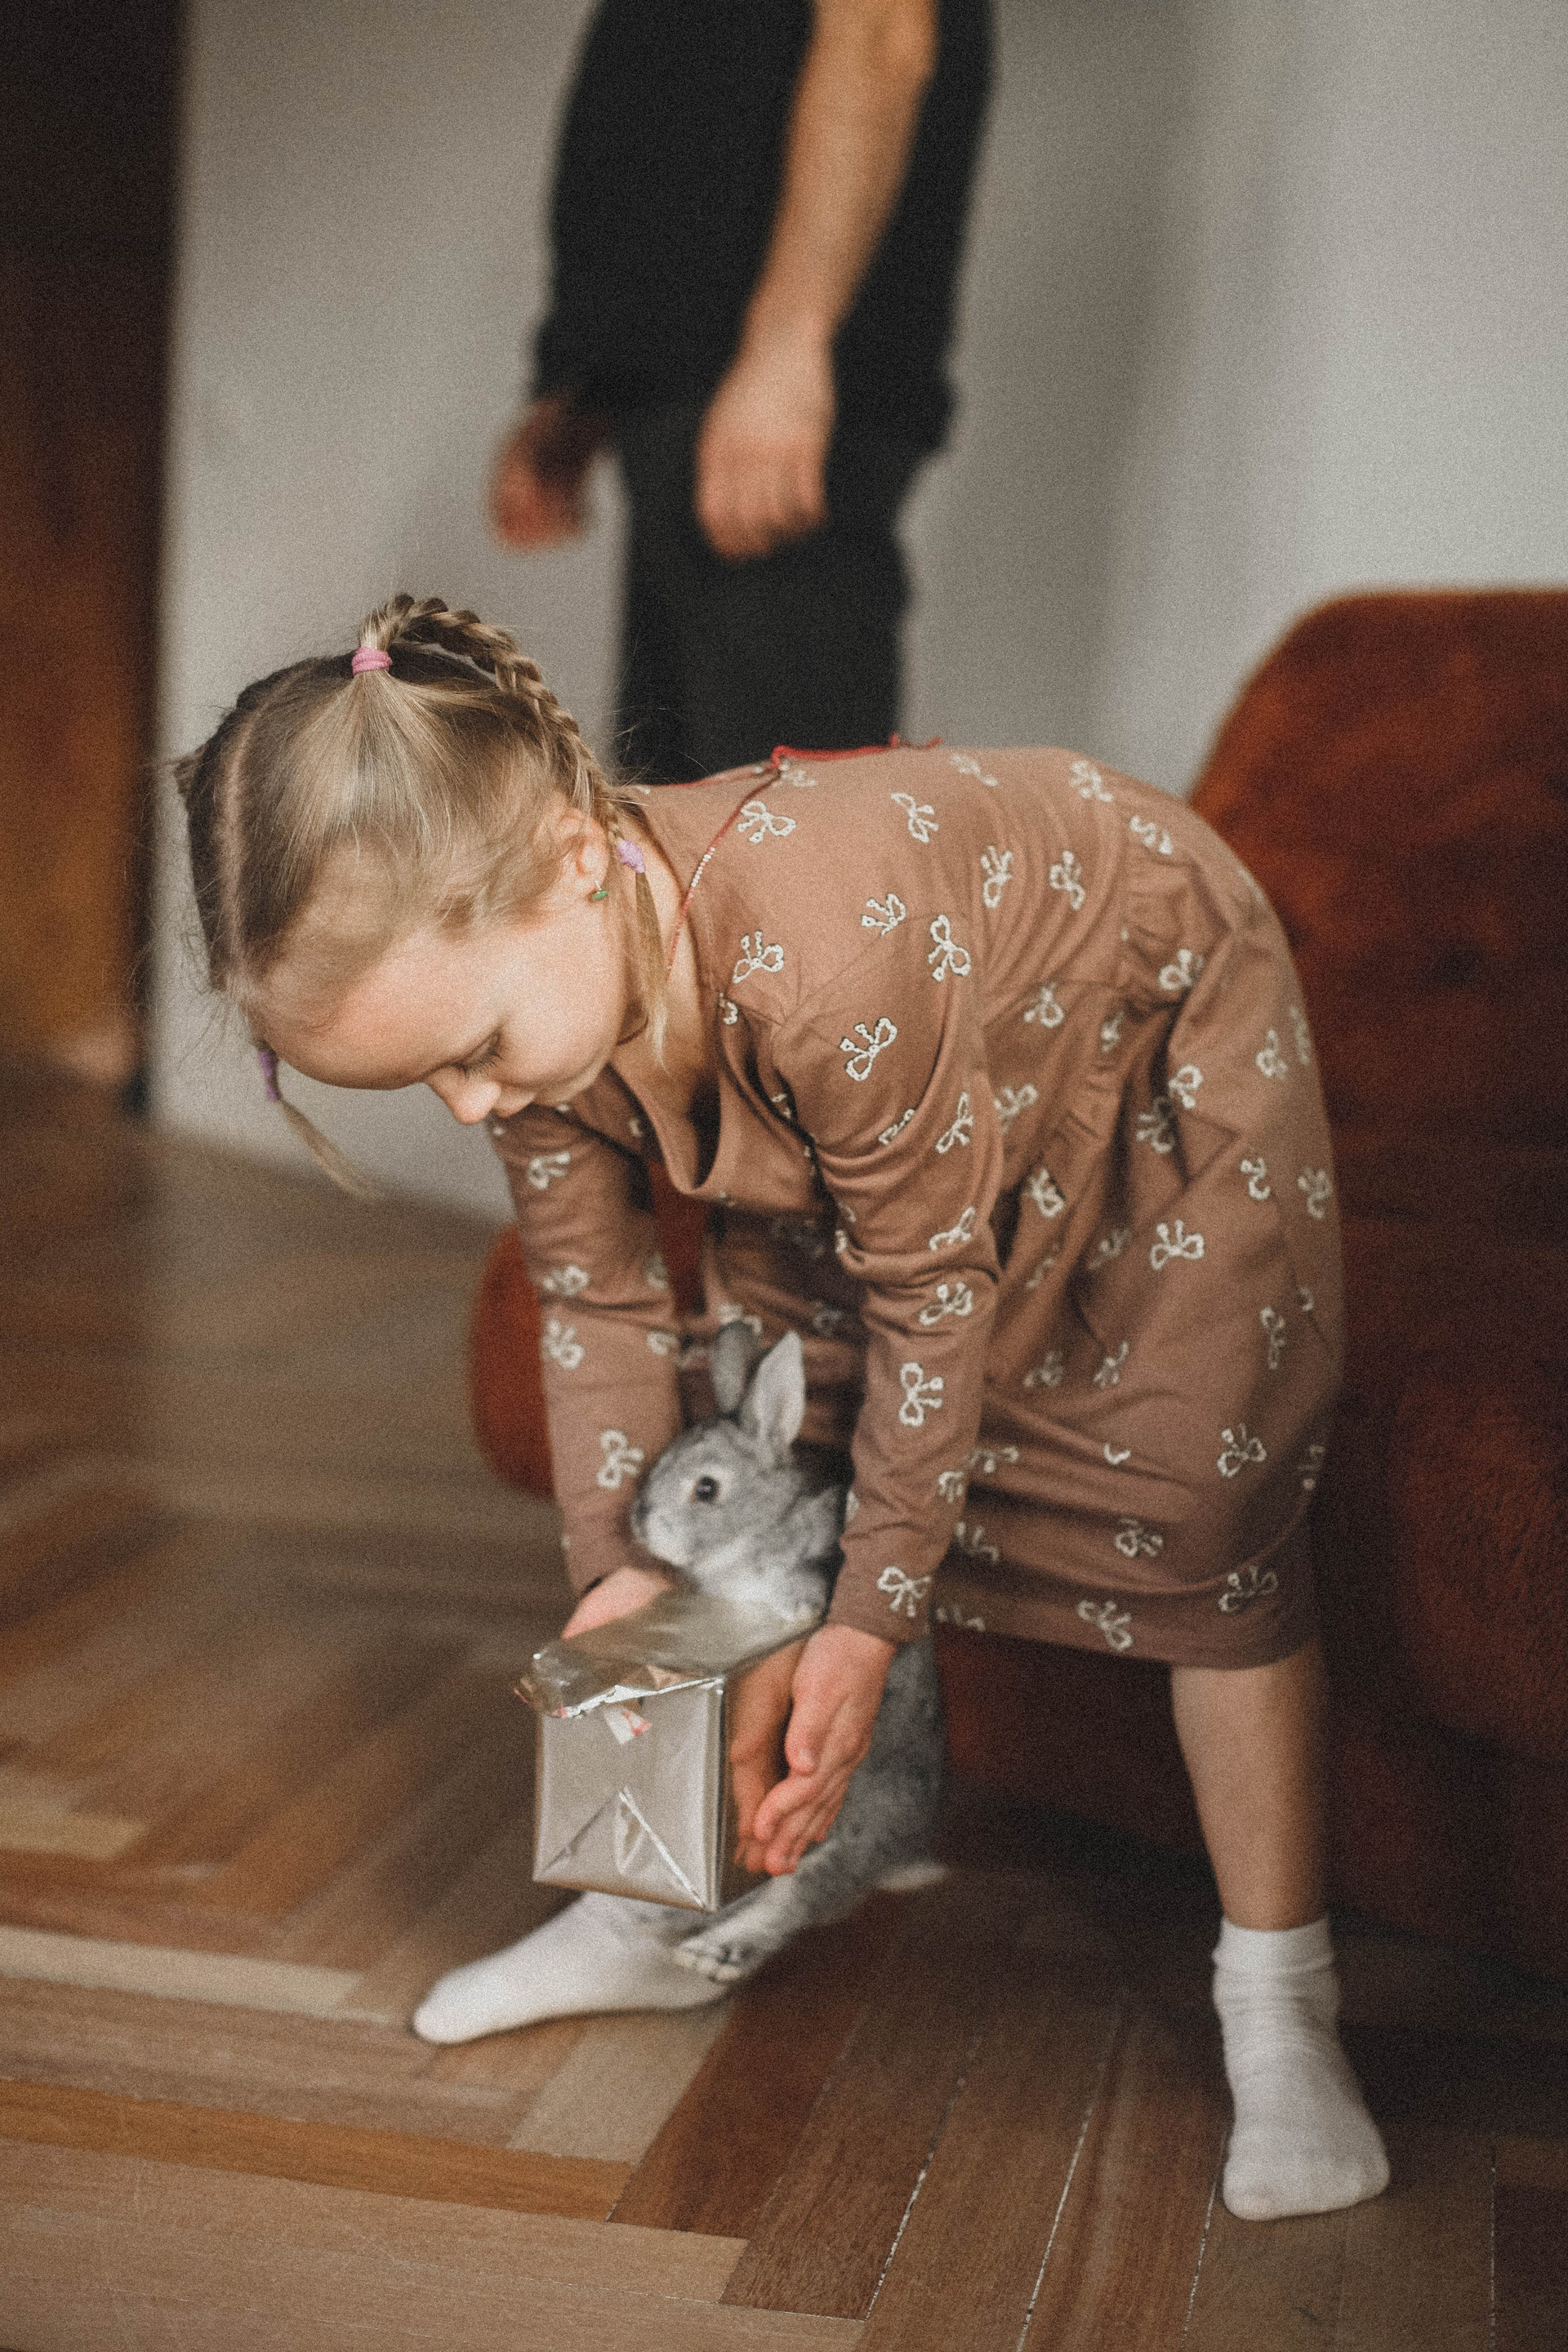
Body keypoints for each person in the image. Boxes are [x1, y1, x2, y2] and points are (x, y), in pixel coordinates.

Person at [174, 594, 1389, 2225]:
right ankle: (642, 1915)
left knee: (1203, 1507)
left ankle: (1281, 1999)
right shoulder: (536, 1014)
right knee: (756, 1479)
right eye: (429, 1082)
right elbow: (600, 1304)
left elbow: (931, 1303)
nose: (472, 1107)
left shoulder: (824, 964)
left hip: (1145, 1035)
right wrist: (618, 1576)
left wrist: (867, 1624)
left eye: (474, 1053)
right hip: (911, 1109)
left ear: (574, 860)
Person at [490, 0, 991, 778]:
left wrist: (792, 340)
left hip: (768, 387)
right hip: (692, 394)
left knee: (793, 827)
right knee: (680, 821)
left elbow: (882, 33)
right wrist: (587, 382)